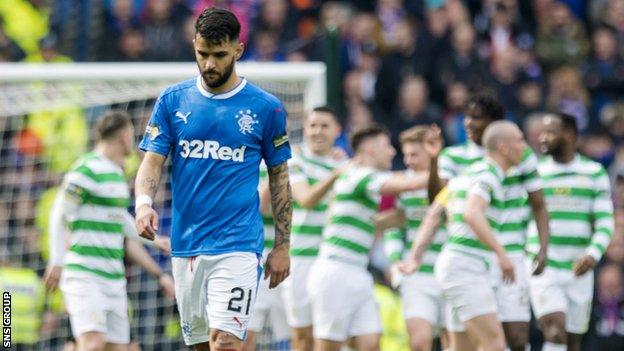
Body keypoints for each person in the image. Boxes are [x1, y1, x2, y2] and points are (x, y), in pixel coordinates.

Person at [133, 7, 292, 351]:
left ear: (238, 50)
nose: (209, 64)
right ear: (194, 45)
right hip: (186, 245)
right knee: (201, 345)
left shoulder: (266, 108)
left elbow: (280, 178)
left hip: (238, 244)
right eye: (202, 54)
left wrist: (282, 245)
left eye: (219, 55)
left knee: (226, 342)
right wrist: (143, 204)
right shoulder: (173, 100)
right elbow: (151, 162)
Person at [42, 110, 174, 351]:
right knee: (92, 344)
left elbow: (118, 219)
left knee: (119, 348)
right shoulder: (87, 168)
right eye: (132, 135)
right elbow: (58, 212)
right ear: (124, 136)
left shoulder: (115, 173)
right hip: (85, 274)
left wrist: (156, 240)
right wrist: (57, 260)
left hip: (113, 278)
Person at [427, 94, 549, 351]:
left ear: (494, 125)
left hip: (499, 253)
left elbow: (538, 202)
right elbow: (443, 207)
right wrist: (434, 162)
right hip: (471, 256)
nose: (469, 123)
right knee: (483, 342)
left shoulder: (513, 157)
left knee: (505, 338)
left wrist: (542, 246)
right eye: (467, 116)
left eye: (477, 118)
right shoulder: (464, 161)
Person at [407, 121, 529, 351]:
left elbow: (434, 214)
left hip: (455, 265)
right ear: (503, 147)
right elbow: (472, 213)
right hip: (465, 267)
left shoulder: (467, 174)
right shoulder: (489, 173)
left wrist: (415, 256)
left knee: (461, 347)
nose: (524, 146)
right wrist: (503, 255)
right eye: (520, 140)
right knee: (494, 344)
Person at [308, 124, 429, 351]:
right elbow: (408, 184)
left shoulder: (359, 177)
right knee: (328, 347)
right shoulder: (359, 174)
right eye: (387, 146)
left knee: (371, 343)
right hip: (336, 271)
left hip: (358, 271)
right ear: (370, 150)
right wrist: (446, 173)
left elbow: (387, 220)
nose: (393, 152)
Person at [527, 112, 614, 351]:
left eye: (550, 132)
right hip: (545, 265)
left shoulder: (594, 173)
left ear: (570, 135)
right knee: (555, 331)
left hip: (579, 268)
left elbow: (605, 221)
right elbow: (523, 218)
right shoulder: (535, 172)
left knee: (573, 343)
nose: (542, 138)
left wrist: (592, 255)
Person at [283, 106, 347, 351]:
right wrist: (336, 175)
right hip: (301, 260)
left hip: (333, 261)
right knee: (302, 337)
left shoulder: (346, 165)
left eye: (324, 126)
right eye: (312, 126)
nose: (317, 131)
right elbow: (305, 199)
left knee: (332, 338)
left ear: (337, 131)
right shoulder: (295, 158)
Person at [382, 125, 447, 351]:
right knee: (419, 343)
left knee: (454, 344)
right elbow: (394, 227)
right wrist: (394, 260)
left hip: (449, 273)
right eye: (406, 154)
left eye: (414, 154)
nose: (408, 161)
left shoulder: (451, 179)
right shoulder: (401, 184)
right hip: (416, 276)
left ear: (431, 151)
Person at [244, 165, 290, 351]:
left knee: (292, 340)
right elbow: (255, 211)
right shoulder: (248, 160)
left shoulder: (298, 161)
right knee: (244, 337)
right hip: (254, 261)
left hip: (288, 261)